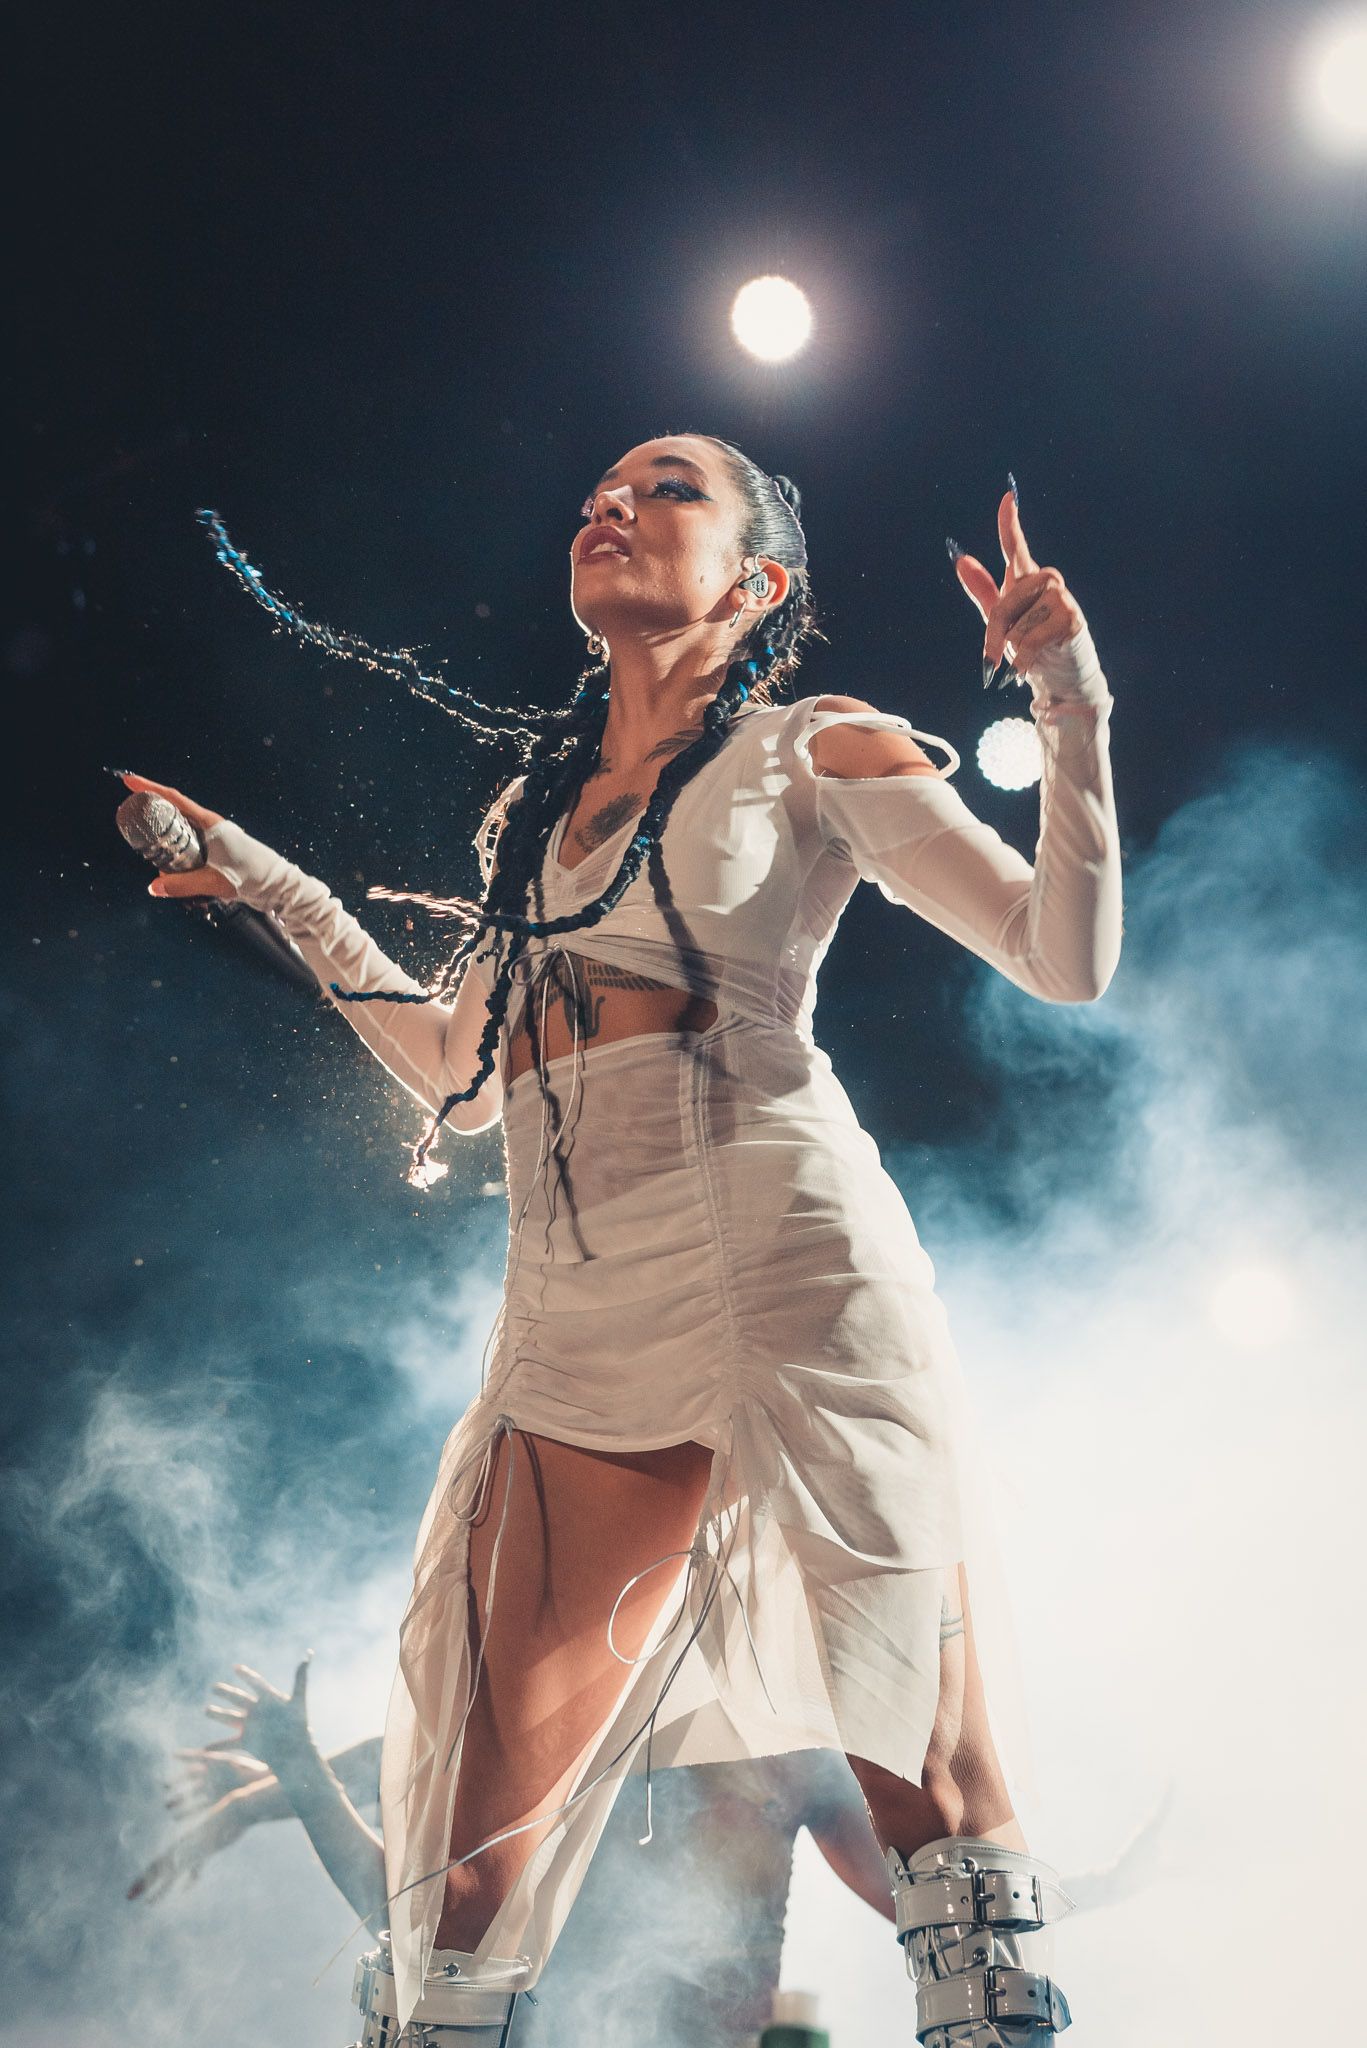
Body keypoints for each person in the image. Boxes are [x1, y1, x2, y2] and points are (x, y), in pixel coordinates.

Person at [118, 433, 1122, 2044]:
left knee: (923, 1781)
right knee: (466, 1866)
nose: (613, 505)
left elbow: (1059, 955)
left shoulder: (814, 747)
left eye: (666, 490)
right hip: (573, 1311)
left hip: (785, 1267)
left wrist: (1066, 696)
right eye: (600, 490)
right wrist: (271, 886)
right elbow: (459, 1068)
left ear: (756, 582)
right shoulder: (530, 817)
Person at [130, 1652, 900, 2046]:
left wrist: (277, 1788)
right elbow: (411, 1886)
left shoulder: (793, 1753)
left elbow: (911, 1899)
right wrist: (280, 1786)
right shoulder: (581, 1729)